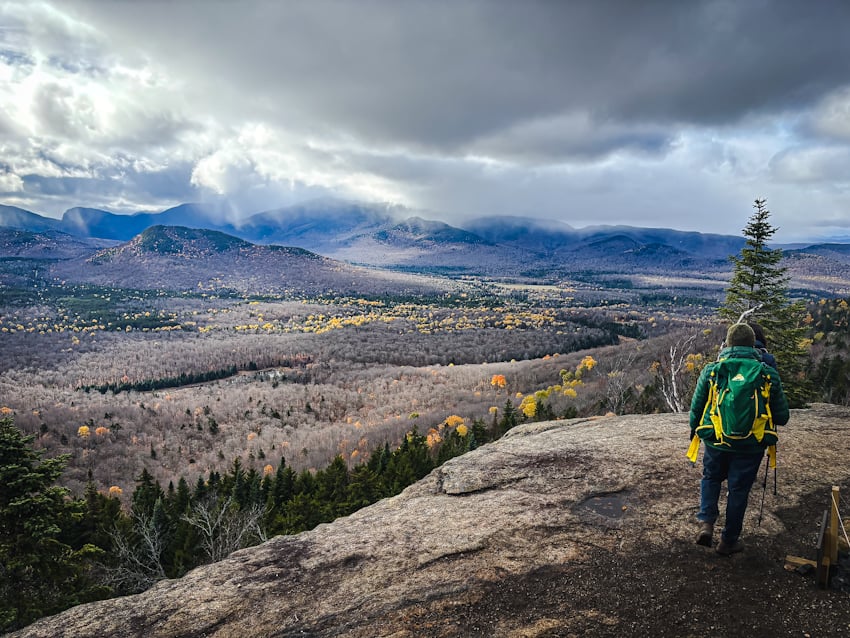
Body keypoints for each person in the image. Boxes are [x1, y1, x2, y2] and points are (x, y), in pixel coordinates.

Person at [689, 322, 790, 555]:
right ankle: (729, 541)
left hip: (716, 439)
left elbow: (697, 407)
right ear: (752, 345)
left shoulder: (712, 370)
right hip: (750, 445)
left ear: (728, 344)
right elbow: (782, 417)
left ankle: (706, 524)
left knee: (711, 477)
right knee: (739, 490)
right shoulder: (767, 373)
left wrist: (694, 428)